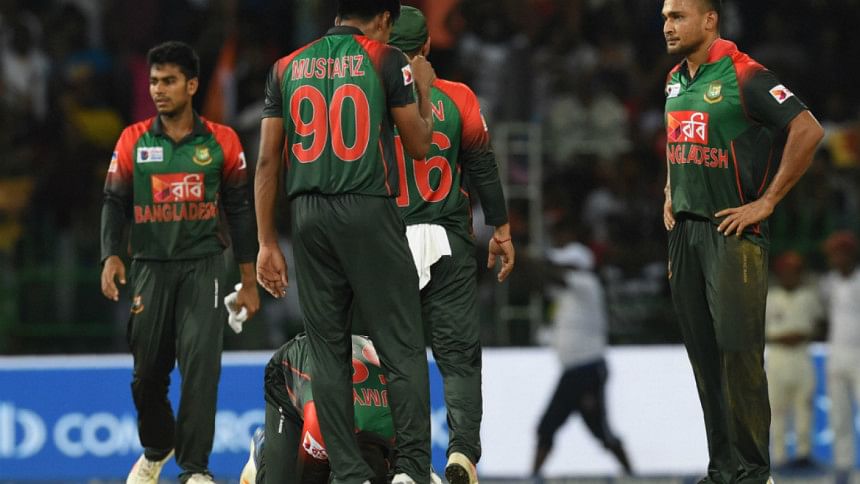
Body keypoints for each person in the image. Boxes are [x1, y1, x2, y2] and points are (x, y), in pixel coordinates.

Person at [253, 1, 436, 483]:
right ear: (384, 18)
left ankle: (350, 474)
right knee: (402, 344)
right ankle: (412, 469)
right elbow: (419, 145)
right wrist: (424, 89)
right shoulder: (386, 58)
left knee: (327, 349)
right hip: (367, 207)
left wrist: (266, 241)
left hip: (308, 215)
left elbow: (268, 160)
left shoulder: (286, 67)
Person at [660, 0, 824, 482]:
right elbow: (680, 138)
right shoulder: (674, 79)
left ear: (710, 20)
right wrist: (670, 189)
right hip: (684, 233)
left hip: (732, 231)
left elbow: (807, 129)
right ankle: (722, 471)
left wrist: (767, 201)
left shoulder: (745, 74)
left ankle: (754, 473)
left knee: (738, 355)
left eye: (678, 16)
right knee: (705, 359)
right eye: (665, 16)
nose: (667, 25)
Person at [99, 41, 260, 484]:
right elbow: (113, 202)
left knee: (201, 367)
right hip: (149, 267)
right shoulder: (133, 139)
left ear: (191, 85)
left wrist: (248, 281)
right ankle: (157, 447)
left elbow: (240, 211)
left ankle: (194, 469)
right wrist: (111, 255)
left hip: (203, 267)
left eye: (168, 81)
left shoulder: (222, 141)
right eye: (154, 81)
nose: (158, 90)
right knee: (147, 374)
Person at [387, 7, 515, 484]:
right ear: (426, 46)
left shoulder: (369, 99)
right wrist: (501, 228)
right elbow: (482, 166)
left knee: (396, 357)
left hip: (388, 242)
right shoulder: (458, 97)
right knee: (459, 355)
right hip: (449, 240)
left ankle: (408, 463)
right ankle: (462, 452)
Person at [531, 222, 631, 477]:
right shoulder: (568, 292)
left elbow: (553, 275)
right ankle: (632, 474)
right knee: (588, 431)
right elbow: (544, 283)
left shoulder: (587, 283)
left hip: (586, 370)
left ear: (577, 266)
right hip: (577, 371)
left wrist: (529, 258)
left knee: (591, 431)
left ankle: (633, 476)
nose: (560, 268)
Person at [239, 334, 397, 484]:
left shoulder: (405, 430)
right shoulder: (322, 424)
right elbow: (308, 478)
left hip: (347, 361)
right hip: (294, 367)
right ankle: (263, 449)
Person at [764, 251, 822, 469]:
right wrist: (788, 336)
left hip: (801, 355)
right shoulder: (770, 297)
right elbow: (760, 329)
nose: (790, 275)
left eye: (794, 271)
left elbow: (819, 325)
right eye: (786, 271)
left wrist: (801, 335)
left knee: (803, 406)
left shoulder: (809, 297)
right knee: (776, 409)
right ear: (779, 274)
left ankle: (803, 454)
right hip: (777, 356)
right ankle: (778, 456)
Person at [820, 231, 860, 477]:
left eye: (842, 253)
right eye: (834, 254)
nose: (837, 258)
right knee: (839, 416)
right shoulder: (828, 283)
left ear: (852, 254)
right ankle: (843, 466)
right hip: (836, 354)